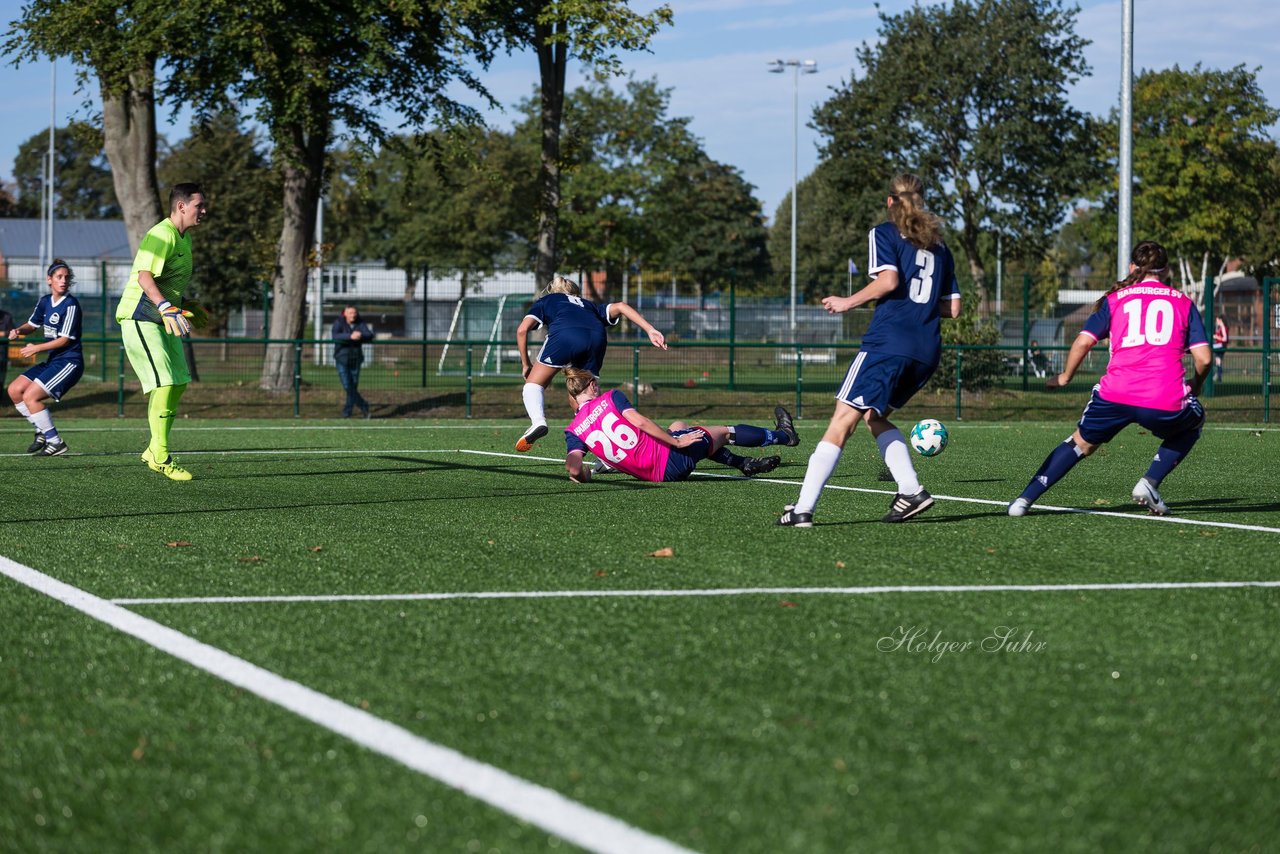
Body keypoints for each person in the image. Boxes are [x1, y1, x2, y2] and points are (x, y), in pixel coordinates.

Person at [778, 173, 961, 527]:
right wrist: (919, 307)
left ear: (890, 201)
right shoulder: (940, 247)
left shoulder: (885, 232)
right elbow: (953, 309)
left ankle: (802, 509)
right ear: (920, 201)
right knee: (873, 416)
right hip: (926, 351)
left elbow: (888, 280)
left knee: (840, 423)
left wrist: (848, 302)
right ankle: (910, 491)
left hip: (888, 344)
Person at [1008, 240, 1211, 518]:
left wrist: (1065, 377)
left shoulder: (1115, 300)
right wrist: (1195, 388)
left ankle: (1023, 500)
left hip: (1115, 393)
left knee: (1080, 443)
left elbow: (1082, 343)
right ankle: (1149, 482)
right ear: (1167, 271)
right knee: (1195, 422)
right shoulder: (1183, 303)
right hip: (1162, 396)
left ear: (1132, 267)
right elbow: (1205, 359)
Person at [115, 182, 210, 481]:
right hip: (140, 316)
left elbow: (168, 280)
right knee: (165, 382)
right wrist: (166, 306)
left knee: (179, 381)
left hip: (163, 316)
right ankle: (160, 454)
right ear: (182, 206)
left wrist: (185, 304)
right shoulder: (161, 234)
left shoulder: (184, 239)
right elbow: (144, 277)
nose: (204, 211)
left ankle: (153, 450)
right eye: (200, 205)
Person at [562, 367, 798, 484]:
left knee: (678, 425)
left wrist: (586, 475)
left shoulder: (574, 429)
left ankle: (743, 463)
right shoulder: (611, 397)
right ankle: (784, 436)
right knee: (725, 432)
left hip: (657, 476)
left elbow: (573, 469)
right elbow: (641, 422)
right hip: (671, 457)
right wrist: (676, 441)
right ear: (592, 385)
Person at [515, 274, 667, 453]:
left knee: (533, 386)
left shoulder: (548, 300)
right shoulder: (589, 305)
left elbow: (522, 330)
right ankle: (606, 455)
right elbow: (620, 306)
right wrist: (650, 330)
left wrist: (526, 364)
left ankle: (538, 421)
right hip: (597, 338)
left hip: (565, 336)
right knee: (584, 397)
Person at [7, 260, 84, 456]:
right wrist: (18, 330)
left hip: (69, 362)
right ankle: (42, 431)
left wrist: (37, 348)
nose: (64, 280)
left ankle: (55, 441)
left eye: (67, 277)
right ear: (49, 280)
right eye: (59, 277)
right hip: (54, 360)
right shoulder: (44, 301)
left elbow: (64, 340)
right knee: (15, 390)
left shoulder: (71, 304)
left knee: (31, 396)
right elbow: (32, 325)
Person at [332, 305, 373, 418]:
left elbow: (369, 334)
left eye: (354, 313)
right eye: (350, 313)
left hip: (356, 359)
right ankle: (364, 405)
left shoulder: (360, 322)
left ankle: (347, 412)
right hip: (342, 358)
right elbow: (335, 336)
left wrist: (360, 335)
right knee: (347, 385)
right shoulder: (338, 322)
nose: (353, 315)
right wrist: (350, 336)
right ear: (345, 313)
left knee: (353, 386)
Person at [0, 306, 15, 384]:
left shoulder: (6, 316)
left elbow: (12, 332)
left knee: (1, 376)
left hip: (2, 352)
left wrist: (3, 334)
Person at [1212, 315, 1229, 382]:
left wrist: (1216, 337)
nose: (1216, 322)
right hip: (1219, 345)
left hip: (1221, 346)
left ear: (1220, 320)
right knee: (1218, 362)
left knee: (1218, 361)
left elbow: (1225, 339)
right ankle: (1218, 376)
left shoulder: (1223, 327)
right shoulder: (1220, 328)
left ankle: (1219, 376)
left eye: (1217, 320)